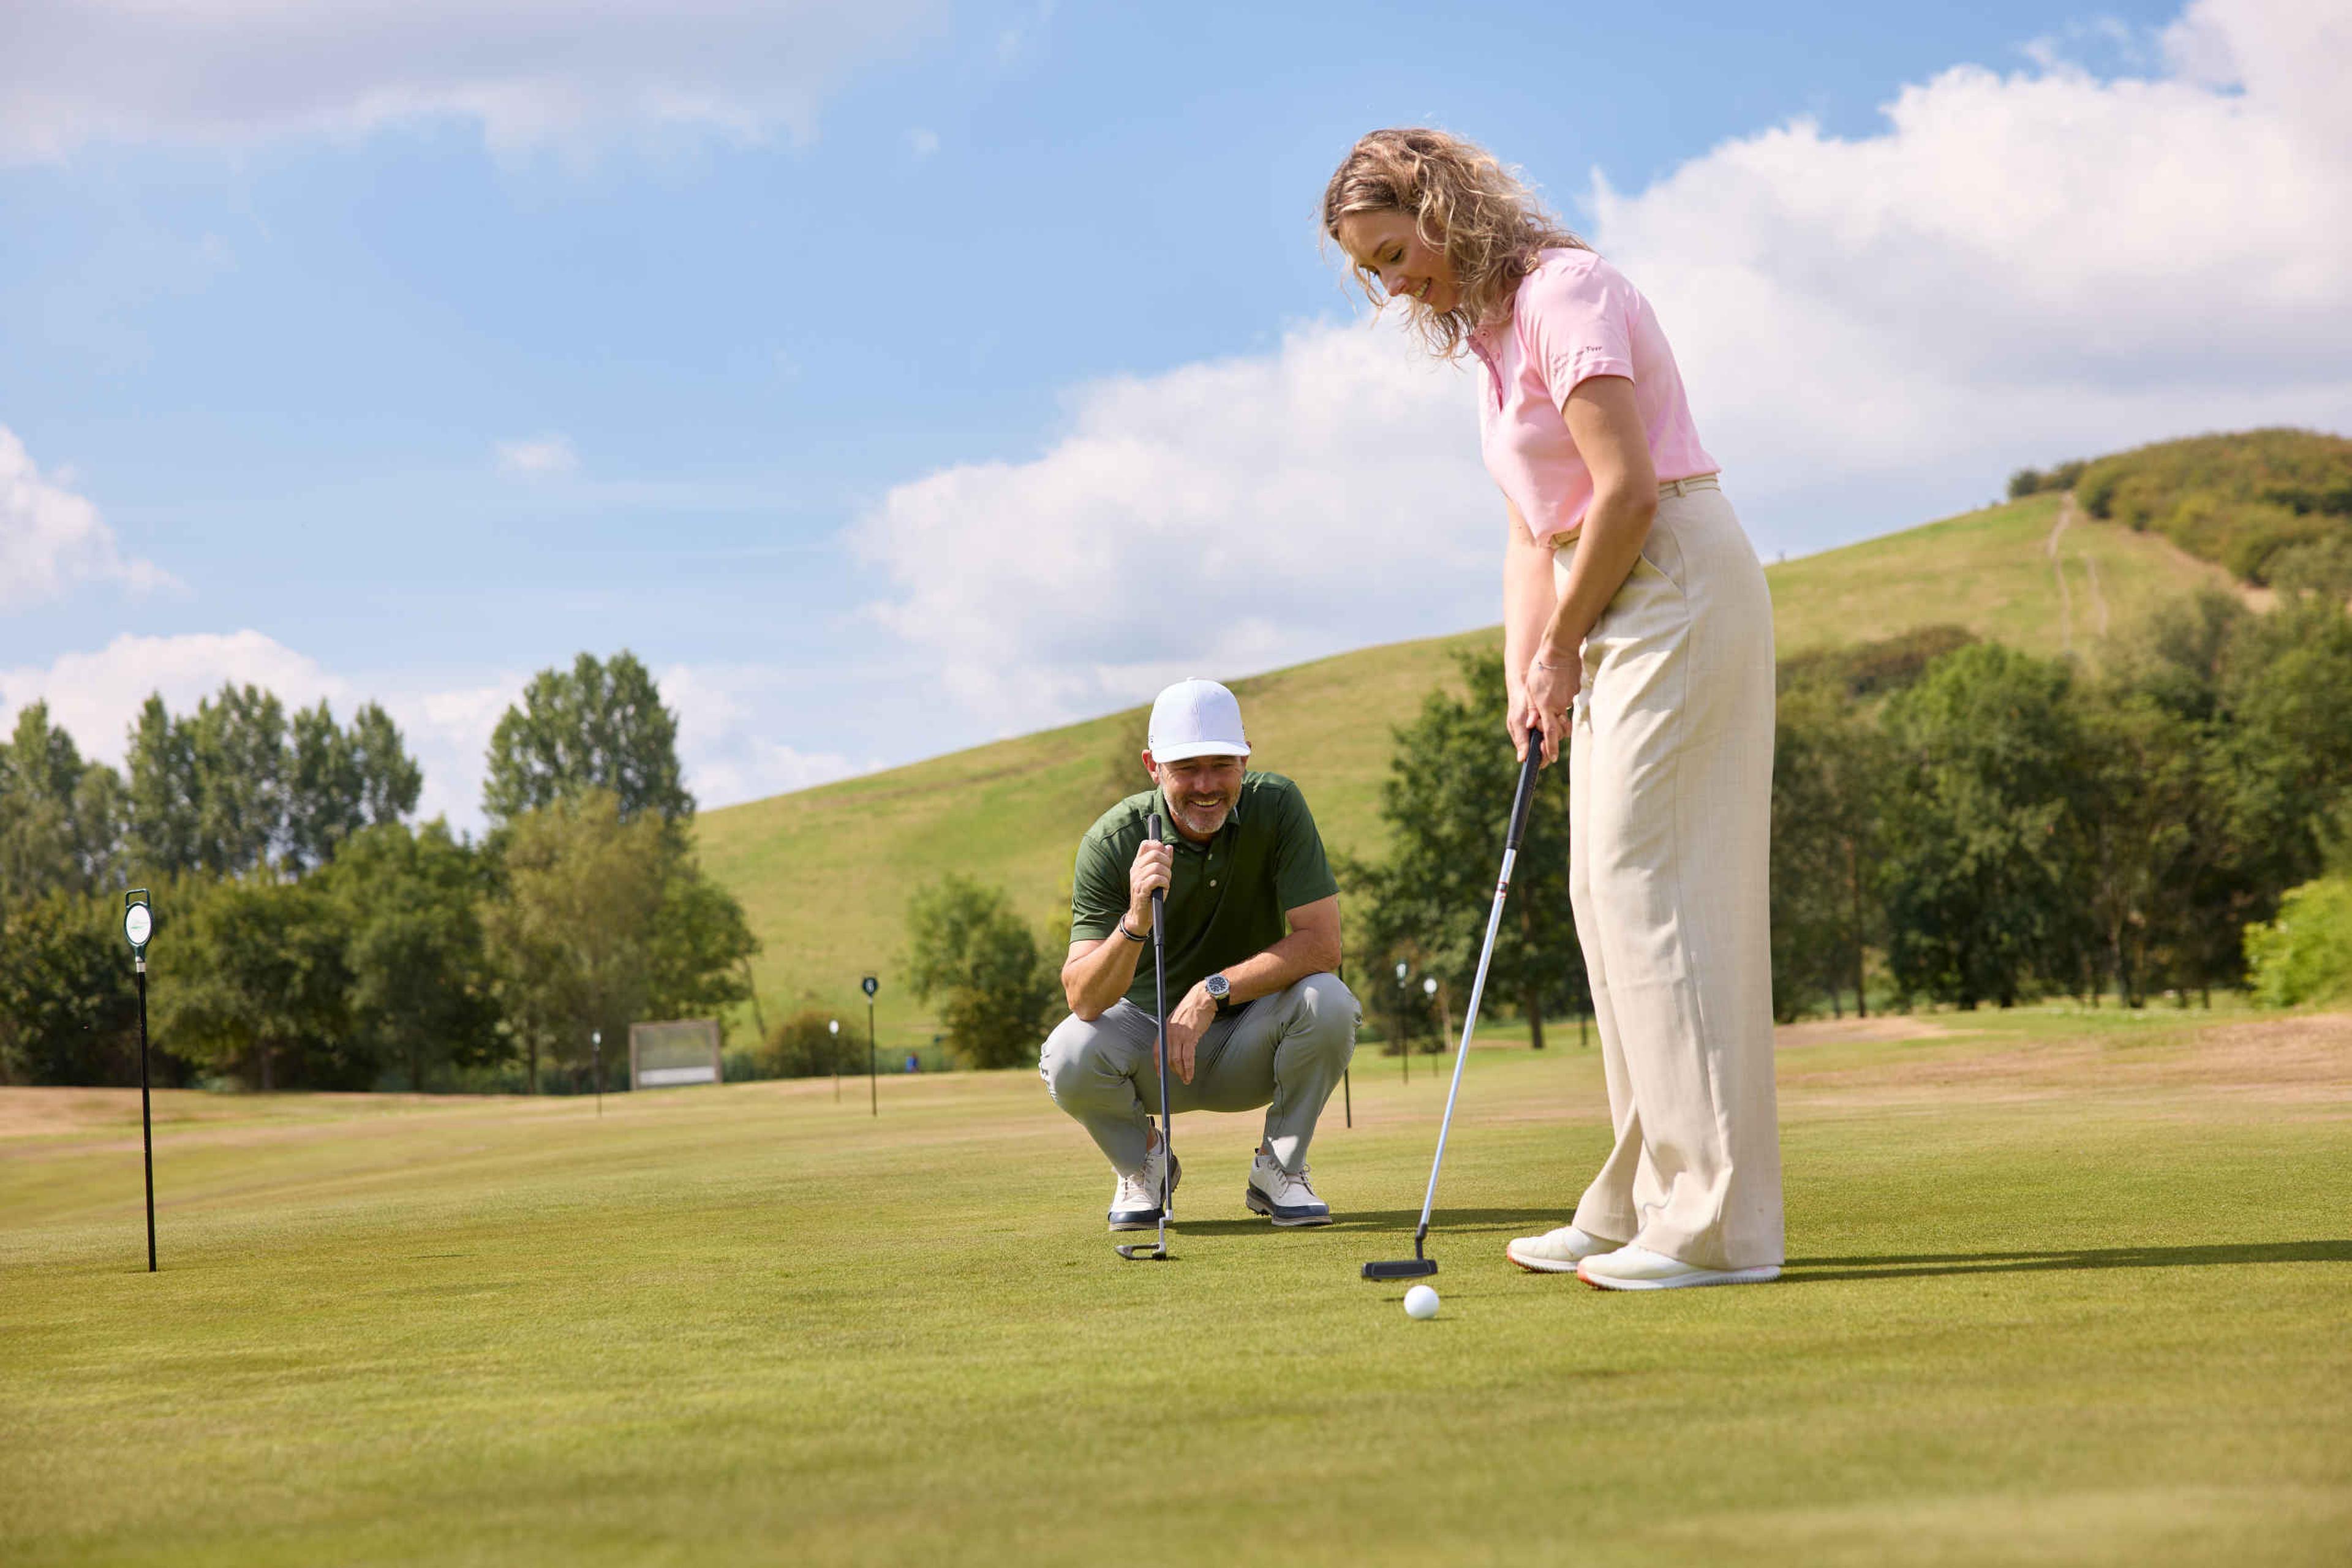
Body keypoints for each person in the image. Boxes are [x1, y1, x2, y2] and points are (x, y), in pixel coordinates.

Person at [1325, 127, 1784, 1290]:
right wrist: (1527, 669)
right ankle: (1637, 1197)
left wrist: (1568, 641)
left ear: (1442, 205)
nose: (1391, 284)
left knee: (1656, 890)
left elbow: (1625, 492)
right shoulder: (1489, 338)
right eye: (1369, 270)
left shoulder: (1563, 291)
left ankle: (1715, 1228)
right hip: (1606, 586)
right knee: (1605, 897)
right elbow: (1538, 524)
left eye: (1393, 252)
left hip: (1669, 572)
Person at [1039, 678, 1359, 1233]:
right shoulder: (1111, 840)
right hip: (1148, 1048)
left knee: (1329, 1000)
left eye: (1221, 764)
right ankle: (1144, 1165)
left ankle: (1279, 1169)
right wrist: (1135, 919)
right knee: (1067, 1050)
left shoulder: (1278, 806)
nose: (1206, 785)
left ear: (1245, 757)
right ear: (1152, 766)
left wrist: (1211, 990)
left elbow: (1323, 944)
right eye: (1186, 768)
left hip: (1254, 1037)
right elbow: (1082, 997)